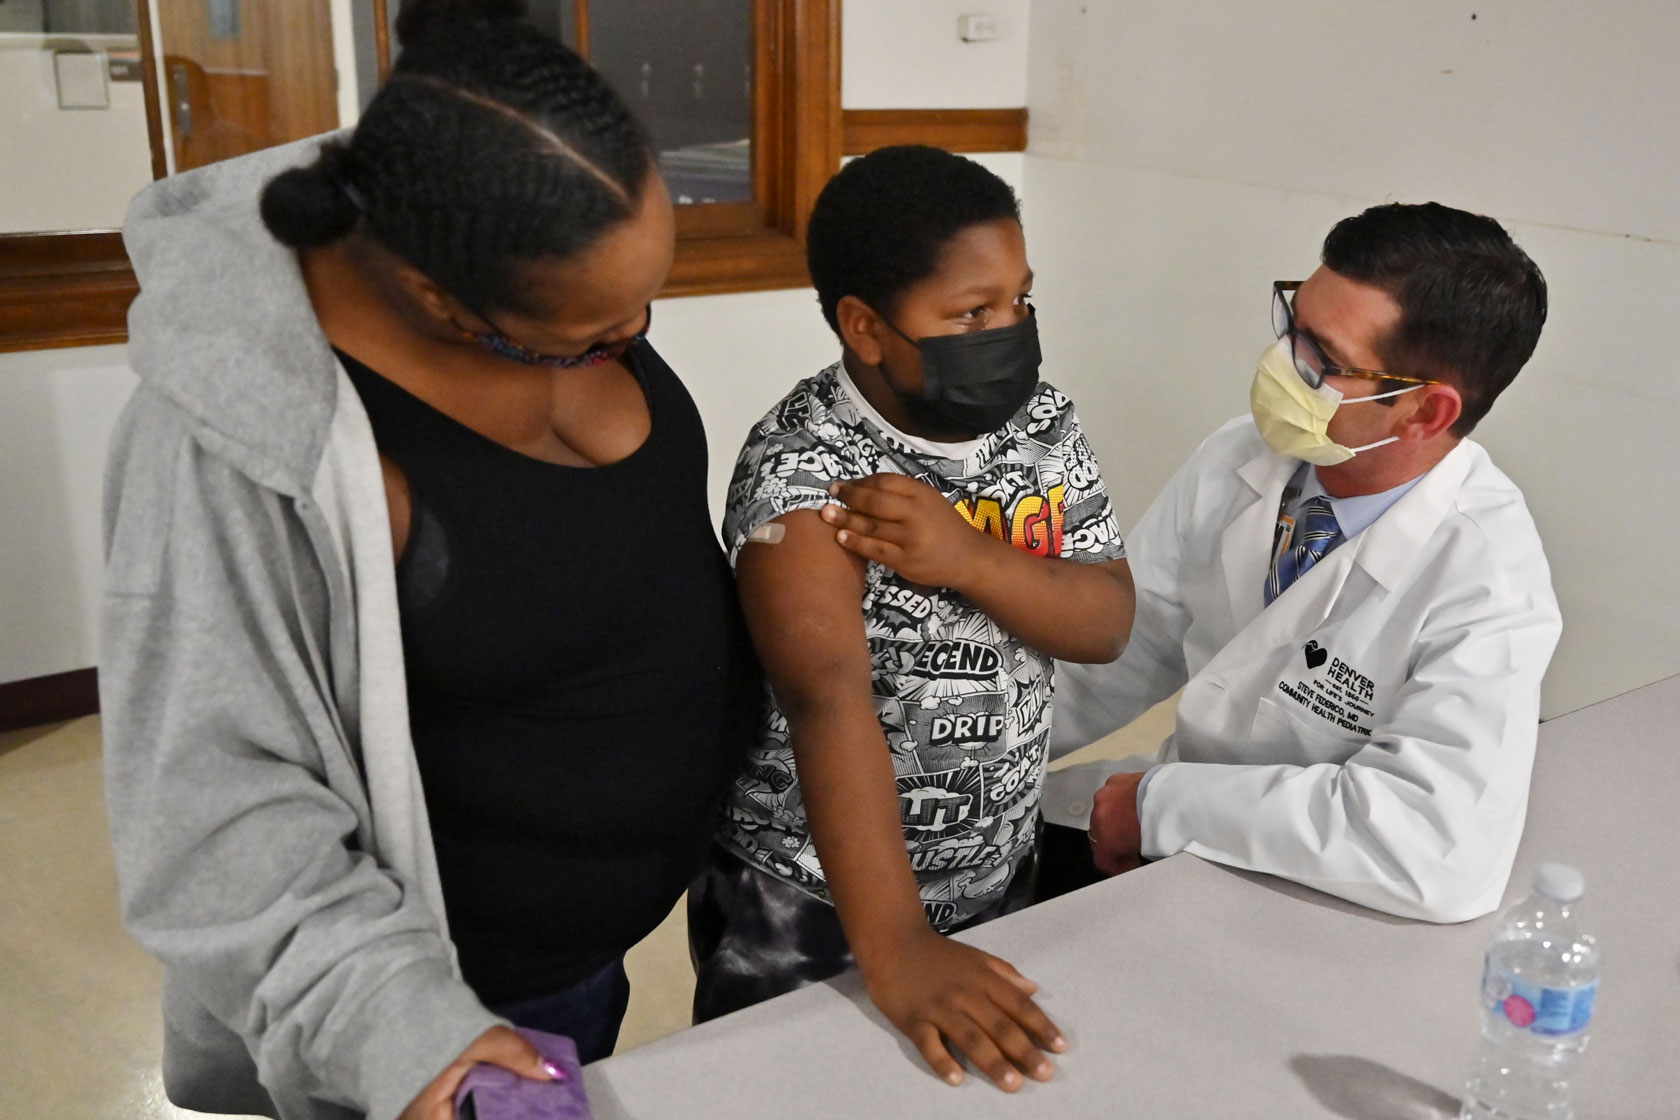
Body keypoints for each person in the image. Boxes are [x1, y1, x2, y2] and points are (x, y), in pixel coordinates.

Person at [99, 3, 759, 1117]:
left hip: (601, 941)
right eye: (595, 332)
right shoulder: (242, 445)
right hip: (449, 992)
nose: (635, 332)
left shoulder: (514, 243)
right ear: (439, 298)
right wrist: (407, 1036)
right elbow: (216, 814)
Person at [688, 146, 1136, 1091]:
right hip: (816, 893)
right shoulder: (805, 473)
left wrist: (969, 557)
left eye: (1019, 298)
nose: (1009, 328)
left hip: (998, 861)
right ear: (866, 327)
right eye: (972, 313)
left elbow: (1102, 623)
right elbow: (826, 704)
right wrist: (896, 948)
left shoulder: (1043, 425)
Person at [1043, 202, 1560, 924]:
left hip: (1321, 903)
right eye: (1292, 324)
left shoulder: (1488, 582)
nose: (1281, 363)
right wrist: (963, 751)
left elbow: (1435, 852)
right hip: (1164, 841)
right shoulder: (1241, 458)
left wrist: (1164, 805)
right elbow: (1124, 642)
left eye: (1320, 358)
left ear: (1425, 413)